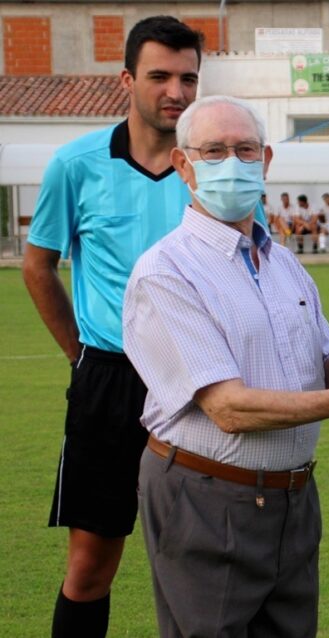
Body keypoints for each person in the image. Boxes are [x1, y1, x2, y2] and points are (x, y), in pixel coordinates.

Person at [122, 95, 329, 637]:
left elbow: (326, 377)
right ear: (183, 165)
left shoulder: (284, 265)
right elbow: (228, 409)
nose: (231, 162)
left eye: (245, 149)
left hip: (293, 497)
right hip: (206, 496)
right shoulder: (166, 273)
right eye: (213, 150)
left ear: (266, 160)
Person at [20, 16, 203, 637]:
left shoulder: (211, 169)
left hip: (199, 383)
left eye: (187, 78)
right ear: (127, 79)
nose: (175, 92)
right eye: (159, 76)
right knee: (91, 565)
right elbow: (38, 266)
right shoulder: (75, 164)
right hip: (109, 382)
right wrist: (80, 355)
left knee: (197, 560)